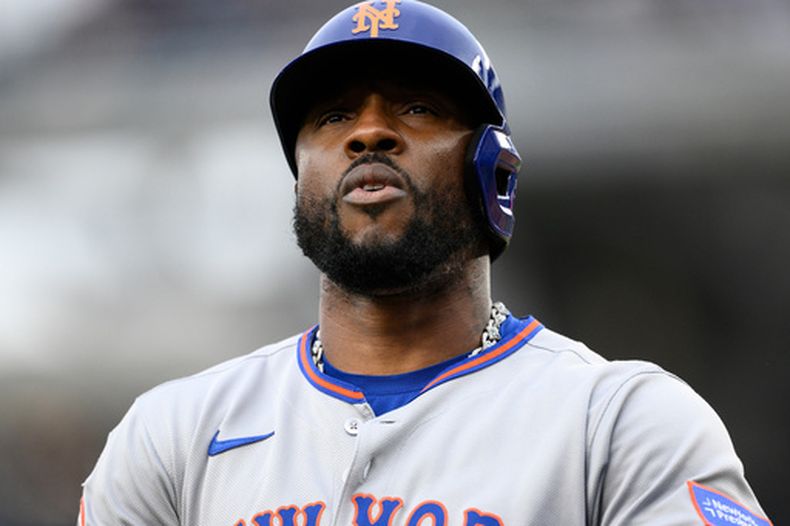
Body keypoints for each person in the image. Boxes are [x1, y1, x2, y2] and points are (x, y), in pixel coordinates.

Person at [79, 1, 773, 525]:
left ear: (490, 171)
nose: (368, 132)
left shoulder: (618, 423)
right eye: (331, 116)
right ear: (300, 176)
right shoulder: (173, 435)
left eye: (415, 107)